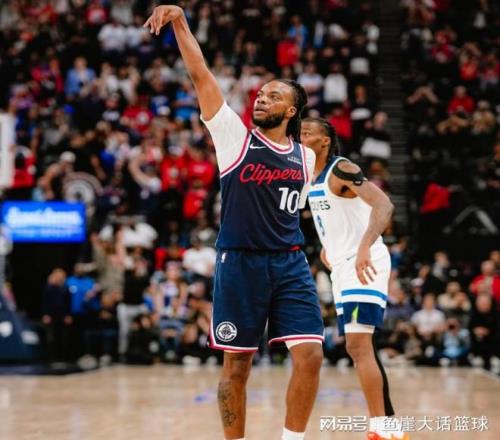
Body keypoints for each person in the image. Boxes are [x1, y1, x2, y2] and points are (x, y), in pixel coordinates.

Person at [144, 7, 324, 440]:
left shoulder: (306, 156)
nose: (261, 98)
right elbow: (201, 74)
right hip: (240, 263)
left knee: (311, 356)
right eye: (260, 94)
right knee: (237, 365)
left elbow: (305, 208)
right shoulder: (233, 138)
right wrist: (180, 22)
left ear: (292, 110)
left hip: (290, 262)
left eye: (273, 96)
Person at [300, 117, 409, 440]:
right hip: (341, 265)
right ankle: (389, 426)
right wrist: (328, 247)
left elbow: (384, 205)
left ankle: (380, 427)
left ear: (324, 140)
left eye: (307, 132)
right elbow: (334, 217)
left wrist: (363, 247)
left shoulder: (341, 168)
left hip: (364, 261)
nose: (300, 136)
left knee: (358, 345)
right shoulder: (310, 176)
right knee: (359, 346)